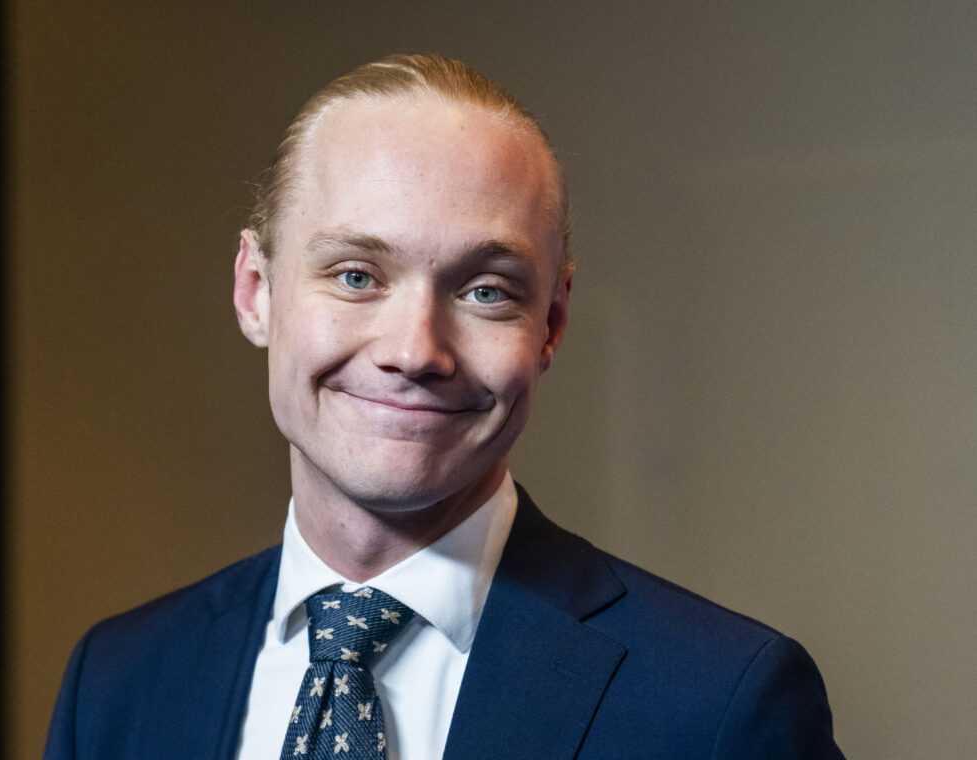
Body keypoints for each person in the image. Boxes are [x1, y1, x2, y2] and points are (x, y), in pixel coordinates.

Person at [44, 54, 843, 760]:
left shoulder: (718, 709)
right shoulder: (118, 682)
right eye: (357, 276)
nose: (416, 349)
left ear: (552, 324)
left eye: (485, 291)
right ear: (255, 291)